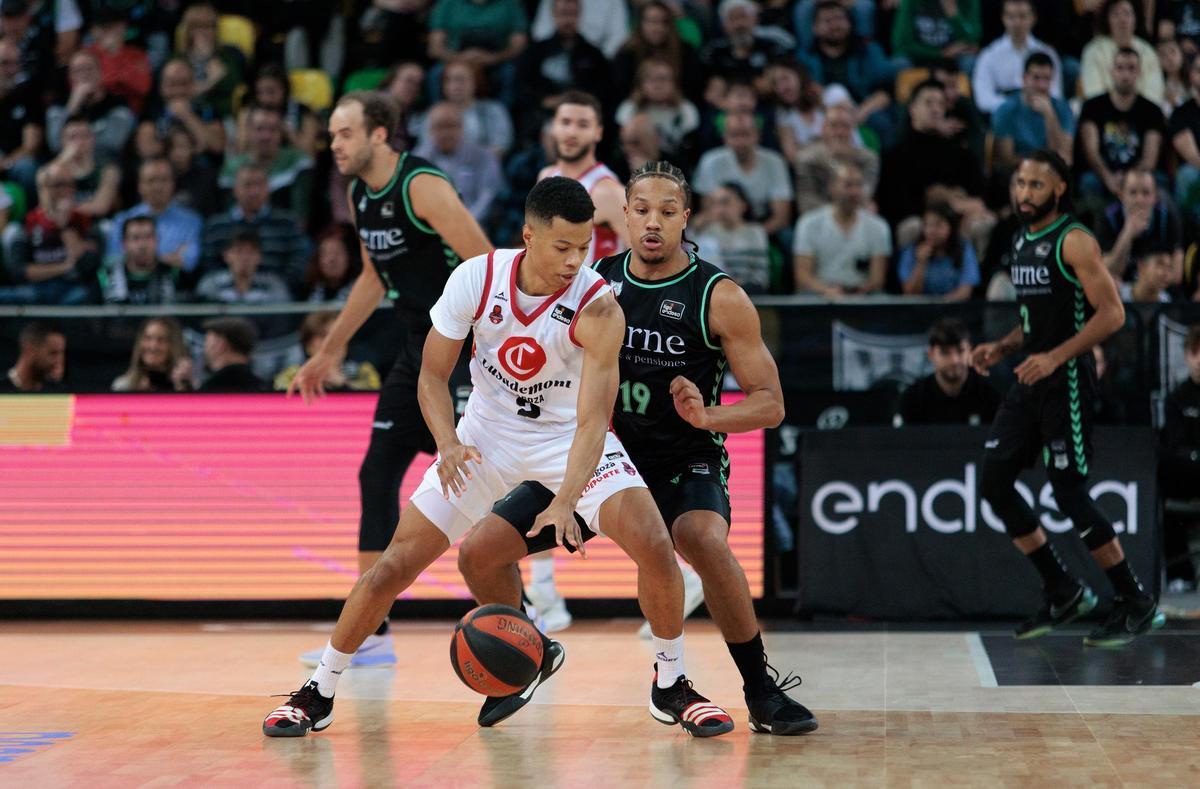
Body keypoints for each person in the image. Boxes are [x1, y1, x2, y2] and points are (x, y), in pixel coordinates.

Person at [264, 177, 734, 739]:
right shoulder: (476, 278)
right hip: (483, 440)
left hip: (567, 444)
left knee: (655, 544)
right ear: (528, 236)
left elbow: (592, 422)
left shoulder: (599, 307)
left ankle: (670, 683)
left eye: (584, 247)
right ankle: (319, 691)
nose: (574, 261)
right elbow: (431, 377)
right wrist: (447, 443)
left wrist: (564, 502)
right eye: (561, 247)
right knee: (390, 567)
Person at [457, 162, 814, 737]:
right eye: (642, 210)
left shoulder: (717, 296)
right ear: (622, 216)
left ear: (685, 219)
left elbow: (771, 404)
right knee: (479, 553)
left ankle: (759, 690)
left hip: (682, 458)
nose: (653, 223)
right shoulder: (590, 282)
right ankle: (527, 654)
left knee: (701, 539)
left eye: (667, 212)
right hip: (599, 456)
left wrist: (710, 415)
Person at [289, 91, 491, 669]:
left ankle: (517, 613)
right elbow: (374, 277)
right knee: (376, 472)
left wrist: (494, 351)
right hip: (413, 347)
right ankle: (372, 631)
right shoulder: (360, 193)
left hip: (461, 346)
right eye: (331, 135)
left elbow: (486, 265)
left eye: (344, 133)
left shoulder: (422, 186)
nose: (335, 145)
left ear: (380, 135)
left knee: (476, 483)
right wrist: (329, 351)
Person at [971, 149, 1164, 648]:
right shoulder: (1020, 240)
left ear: (1059, 189)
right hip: (1030, 372)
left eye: (1036, 185)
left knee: (1068, 490)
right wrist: (1004, 346)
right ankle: (1062, 588)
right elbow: (1036, 319)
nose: (1024, 194)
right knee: (994, 480)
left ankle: (1135, 600)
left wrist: (1056, 358)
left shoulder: (1074, 240)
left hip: (1066, 378)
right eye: (1020, 184)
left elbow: (1112, 314)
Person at [539, 91, 629, 268]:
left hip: (594, 293)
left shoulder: (608, 192)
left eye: (583, 125)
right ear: (553, 127)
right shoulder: (546, 176)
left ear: (598, 133)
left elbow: (651, 259)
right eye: (565, 122)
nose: (572, 132)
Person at [1075, 48, 1166, 200]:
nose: (1125, 74)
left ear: (1139, 72)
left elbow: (1150, 158)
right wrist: (1108, 177)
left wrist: (1130, 180)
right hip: (1102, 174)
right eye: (1120, 68)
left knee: (1160, 181)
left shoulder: (1152, 110)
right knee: (1088, 182)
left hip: (1139, 174)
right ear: (1111, 71)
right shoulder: (1092, 106)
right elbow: (1091, 152)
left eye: (1131, 68)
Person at [201, 163, 310, 289]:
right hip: (225, 298)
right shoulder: (216, 226)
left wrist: (275, 286)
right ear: (235, 189)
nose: (254, 191)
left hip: (276, 298)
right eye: (247, 185)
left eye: (260, 184)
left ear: (269, 188)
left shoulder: (287, 223)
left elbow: (298, 261)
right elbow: (208, 265)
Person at [793, 160, 891, 297]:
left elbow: (877, 279)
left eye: (859, 185)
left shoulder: (878, 226)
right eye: (848, 185)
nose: (855, 192)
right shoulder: (809, 223)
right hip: (821, 294)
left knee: (882, 297)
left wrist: (858, 292)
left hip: (862, 294)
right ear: (831, 188)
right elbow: (803, 276)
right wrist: (827, 291)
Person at [514, 0, 609, 135]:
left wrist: (575, 101)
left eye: (572, 14)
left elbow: (603, 91)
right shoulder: (535, 52)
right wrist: (544, 101)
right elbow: (521, 87)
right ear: (553, 14)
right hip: (543, 116)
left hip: (582, 115)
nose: (568, 20)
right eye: (563, 14)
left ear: (580, 15)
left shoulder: (594, 55)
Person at [692, 112, 793, 236]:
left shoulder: (775, 161)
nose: (740, 142)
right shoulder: (711, 161)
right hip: (724, 224)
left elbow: (781, 218)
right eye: (734, 135)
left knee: (787, 235)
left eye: (746, 135)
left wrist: (751, 236)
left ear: (757, 135)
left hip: (764, 226)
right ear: (725, 137)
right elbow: (709, 210)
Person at [105, 157, 203, 281]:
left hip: (174, 288)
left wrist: (138, 259)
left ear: (173, 184)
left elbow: (189, 262)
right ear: (140, 186)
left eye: (163, 180)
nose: (157, 186)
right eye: (151, 180)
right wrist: (167, 259)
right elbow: (112, 262)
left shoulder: (191, 222)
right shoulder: (122, 221)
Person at [219, 105, 314, 228]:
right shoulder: (231, 168)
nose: (266, 136)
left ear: (281, 133)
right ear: (248, 131)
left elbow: (300, 216)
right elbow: (227, 216)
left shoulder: (298, 162)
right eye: (259, 129)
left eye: (273, 129)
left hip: (284, 235)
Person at [894, 318, 1000, 426]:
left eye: (960, 351)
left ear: (970, 350)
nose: (954, 360)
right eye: (945, 353)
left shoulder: (990, 397)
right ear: (931, 355)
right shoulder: (912, 400)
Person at [414, 103, 504, 226]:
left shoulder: (483, 157)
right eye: (440, 127)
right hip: (429, 229)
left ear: (462, 127)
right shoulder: (418, 160)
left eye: (451, 126)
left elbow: (488, 197)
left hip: (475, 227)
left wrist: (464, 223)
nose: (446, 133)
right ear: (430, 130)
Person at [1160, 325, 1200, 588]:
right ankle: (1180, 575)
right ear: (1186, 355)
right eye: (1195, 352)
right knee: (1167, 504)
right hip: (1187, 478)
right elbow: (1173, 448)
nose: (1199, 360)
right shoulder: (1176, 398)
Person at [971, 0, 1063, 115]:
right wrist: (1017, 106)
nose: (1017, 23)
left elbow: (1056, 94)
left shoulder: (1047, 53)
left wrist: (1034, 104)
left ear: (1033, 18)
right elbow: (983, 100)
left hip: (1039, 114)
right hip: (1004, 117)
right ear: (1003, 18)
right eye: (1011, 17)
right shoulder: (989, 55)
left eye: (1022, 16)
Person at [991, 52, 1075, 172]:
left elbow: (1063, 155)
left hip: (1052, 172)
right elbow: (1006, 160)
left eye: (1046, 79)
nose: (1042, 86)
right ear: (1024, 78)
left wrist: (1049, 115)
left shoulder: (1063, 109)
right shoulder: (1005, 110)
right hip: (1018, 172)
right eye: (1036, 78)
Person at [45, 49, 135, 160]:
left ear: (101, 73)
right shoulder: (58, 106)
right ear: (70, 77)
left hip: (105, 164)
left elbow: (113, 143)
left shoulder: (118, 104)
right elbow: (55, 144)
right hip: (68, 164)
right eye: (78, 71)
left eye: (89, 69)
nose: (85, 74)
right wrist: (72, 106)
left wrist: (75, 144)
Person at [791, 104, 880, 215]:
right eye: (833, 126)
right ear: (823, 129)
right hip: (818, 218)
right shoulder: (806, 159)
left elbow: (864, 195)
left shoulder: (868, 158)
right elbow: (807, 202)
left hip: (855, 216)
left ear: (853, 130)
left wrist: (845, 160)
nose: (839, 132)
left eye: (845, 126)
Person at [1095, 168, 1183, 280]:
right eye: (1133, 192)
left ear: (1155, 196)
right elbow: (1106, 270)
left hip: (1156, 289)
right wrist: (1127, 235)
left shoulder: (1167, 217)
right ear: (1121, 195)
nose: (1139, 200)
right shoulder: (1108, 218)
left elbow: (1177, 274)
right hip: (1120, 287)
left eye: (1146, 193)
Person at [613, 58, 700, 164]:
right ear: (640, 83)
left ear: (674, 83)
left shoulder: (686, 111)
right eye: (651, 79)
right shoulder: (629, 109)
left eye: (663, 79)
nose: (658, 85)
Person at [692, 182, 772, 294]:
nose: (720, 209)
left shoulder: (755, 232)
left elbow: (761, 277)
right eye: (715, 204)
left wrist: (739, 288)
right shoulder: (707, 234)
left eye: (725, 202)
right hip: (716, 293)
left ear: (743, 205)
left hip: (750, 294)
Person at [274, 311, 380, 392]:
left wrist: (342, 385)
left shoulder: (363, 372)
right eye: (323, 337)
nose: (331, 344)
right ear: (308, 345)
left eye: (337, 336)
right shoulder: (291, 376)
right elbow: (279, 403)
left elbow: (374, 403)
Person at [1082, 0, 1164, 103]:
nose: (1122, 19)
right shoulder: (1093, 51)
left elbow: (1154, 93)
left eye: (1127, 13)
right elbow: (1093, 92)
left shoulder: (1148, 51)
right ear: (1107, 20)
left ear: (1135, 19)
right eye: (1116, 14)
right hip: (1103, 113)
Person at [897, 201, 982, 301]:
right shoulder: (911, 251)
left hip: (953, 309)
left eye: (938, 225)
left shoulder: (964, 249)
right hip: (920, 310)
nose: (931, 231)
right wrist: (920, 264)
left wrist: (940, 305)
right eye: (927, 225)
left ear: (951, 227)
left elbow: (964, 292)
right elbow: (910, 294)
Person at [194, 229, 291, 306]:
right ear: (226, 255)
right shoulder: (211, 284)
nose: (245, 258)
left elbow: (282, 321)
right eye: (239, 251)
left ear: (259, 256)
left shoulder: (274, 285)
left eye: (251, 252)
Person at [101, 215, 176, 305]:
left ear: (157, 240)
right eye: (135, 238)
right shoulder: (104, 275)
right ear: (124, 244)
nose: (142, 245)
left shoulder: (174, 273)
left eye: (148, 237)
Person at [891, 0, 982, 70]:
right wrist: (941, 53)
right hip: (919, 56)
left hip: (955, 57)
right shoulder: (911, 2)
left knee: (971, 63)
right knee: (899, 64)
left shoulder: (968, 2)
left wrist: (953, 15)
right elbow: (902, 44)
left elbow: (972, 39)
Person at [112, 316, 194, 392]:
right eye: (148, 338)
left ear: (174, 345)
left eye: (161, 340)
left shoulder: (190, 385)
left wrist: (182, 388)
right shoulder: (123, 386)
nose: (153, 346)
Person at [199, 317, 266, 393]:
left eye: (207, 341)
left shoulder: (210, 390)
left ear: (220, 344)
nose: (205, 348)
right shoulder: (264, 388)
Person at [1, 320, 65, 393]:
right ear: (29, 350)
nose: (59, 361)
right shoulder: (3, 390)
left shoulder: (58, 393)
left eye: (61, 354)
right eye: (53, 353)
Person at [302, 224, 360, 303]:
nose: (332, 259)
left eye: (337, 253)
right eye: (327, 253)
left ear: (349, 257)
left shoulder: (361, 290)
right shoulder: (306, 290)